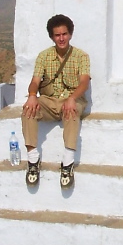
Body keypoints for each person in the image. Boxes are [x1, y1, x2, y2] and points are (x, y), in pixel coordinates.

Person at [21, 14, 90, 189]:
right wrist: (31, 95)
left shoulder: (81, 56)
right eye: (57, 35)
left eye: (64, 34)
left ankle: (67, 163)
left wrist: (72, 98)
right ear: (52, 37)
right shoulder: (44, 56)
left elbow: (84, 82)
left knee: (71, 111)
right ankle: (33, 159)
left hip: (72, 99)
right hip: (50, 100)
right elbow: (36, 80)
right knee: (28, 109)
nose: (61, 38)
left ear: (70, 34)